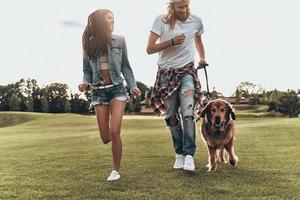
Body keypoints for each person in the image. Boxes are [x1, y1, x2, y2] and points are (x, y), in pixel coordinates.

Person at [79, 9, 141, 181]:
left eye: (113, 20)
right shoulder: (89, 44)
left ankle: (116, 170)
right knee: (105, 137)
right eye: (109, 20)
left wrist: (133, 86)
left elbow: (126, 67)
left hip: (117, 89)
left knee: (115, 131)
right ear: (100, 23)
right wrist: (84, 83)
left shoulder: (119, 40)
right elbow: (86, 70)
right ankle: (110, 150)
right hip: (98, 92)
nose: (112, 23)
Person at [146, 0, 207, 171]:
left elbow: (198, 41)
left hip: (187, 71)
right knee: (172, 116)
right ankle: (179, 153)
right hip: (167, 74)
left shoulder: (196, 20)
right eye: (181, 7)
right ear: (172, 7)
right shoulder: (161, 21)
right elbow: (150, 48)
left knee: (188, 112)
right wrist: (171, 42)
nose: (185, 10)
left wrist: (202, 58)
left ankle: (189, 155)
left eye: (187, 6)